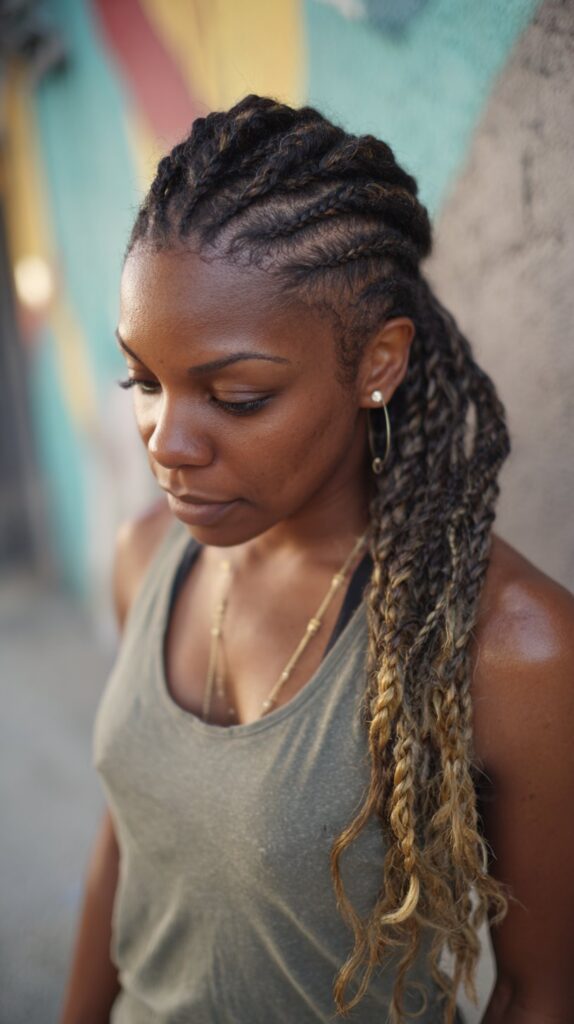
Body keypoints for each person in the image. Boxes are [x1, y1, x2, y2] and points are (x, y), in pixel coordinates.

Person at [59, 95, 574, 1024]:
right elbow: (133, 840)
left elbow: (544, 991)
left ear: (377, 362)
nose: (165, 441)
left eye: (238, 396)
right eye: (142, 377)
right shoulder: (148, 558)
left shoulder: (510, 647)